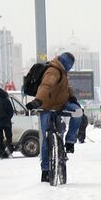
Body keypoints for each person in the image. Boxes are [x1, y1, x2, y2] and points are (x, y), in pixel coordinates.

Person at [25, 52, 79, 182]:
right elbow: (46, 86)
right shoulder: (53, 71)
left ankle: (70, 141)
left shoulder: (62, 71)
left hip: (61, 104)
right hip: (46, 106)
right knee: (46, 139)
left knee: (78, 112)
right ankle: (45, 170)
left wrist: (72, 97)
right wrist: (37, 101)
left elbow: (65, 88)